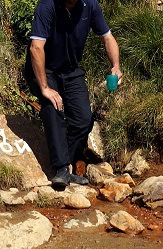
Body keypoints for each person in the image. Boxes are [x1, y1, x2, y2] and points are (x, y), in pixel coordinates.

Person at [25, 0, 121, 191]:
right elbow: (36, 47)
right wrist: (44, 87)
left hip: (70, 70)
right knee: (53, 108)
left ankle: (66, 164)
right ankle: (60, 168)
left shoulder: (90, 6)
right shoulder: (48, 6)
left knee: (83, 119)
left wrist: (116, 65)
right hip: (44, 69)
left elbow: (107, 37)